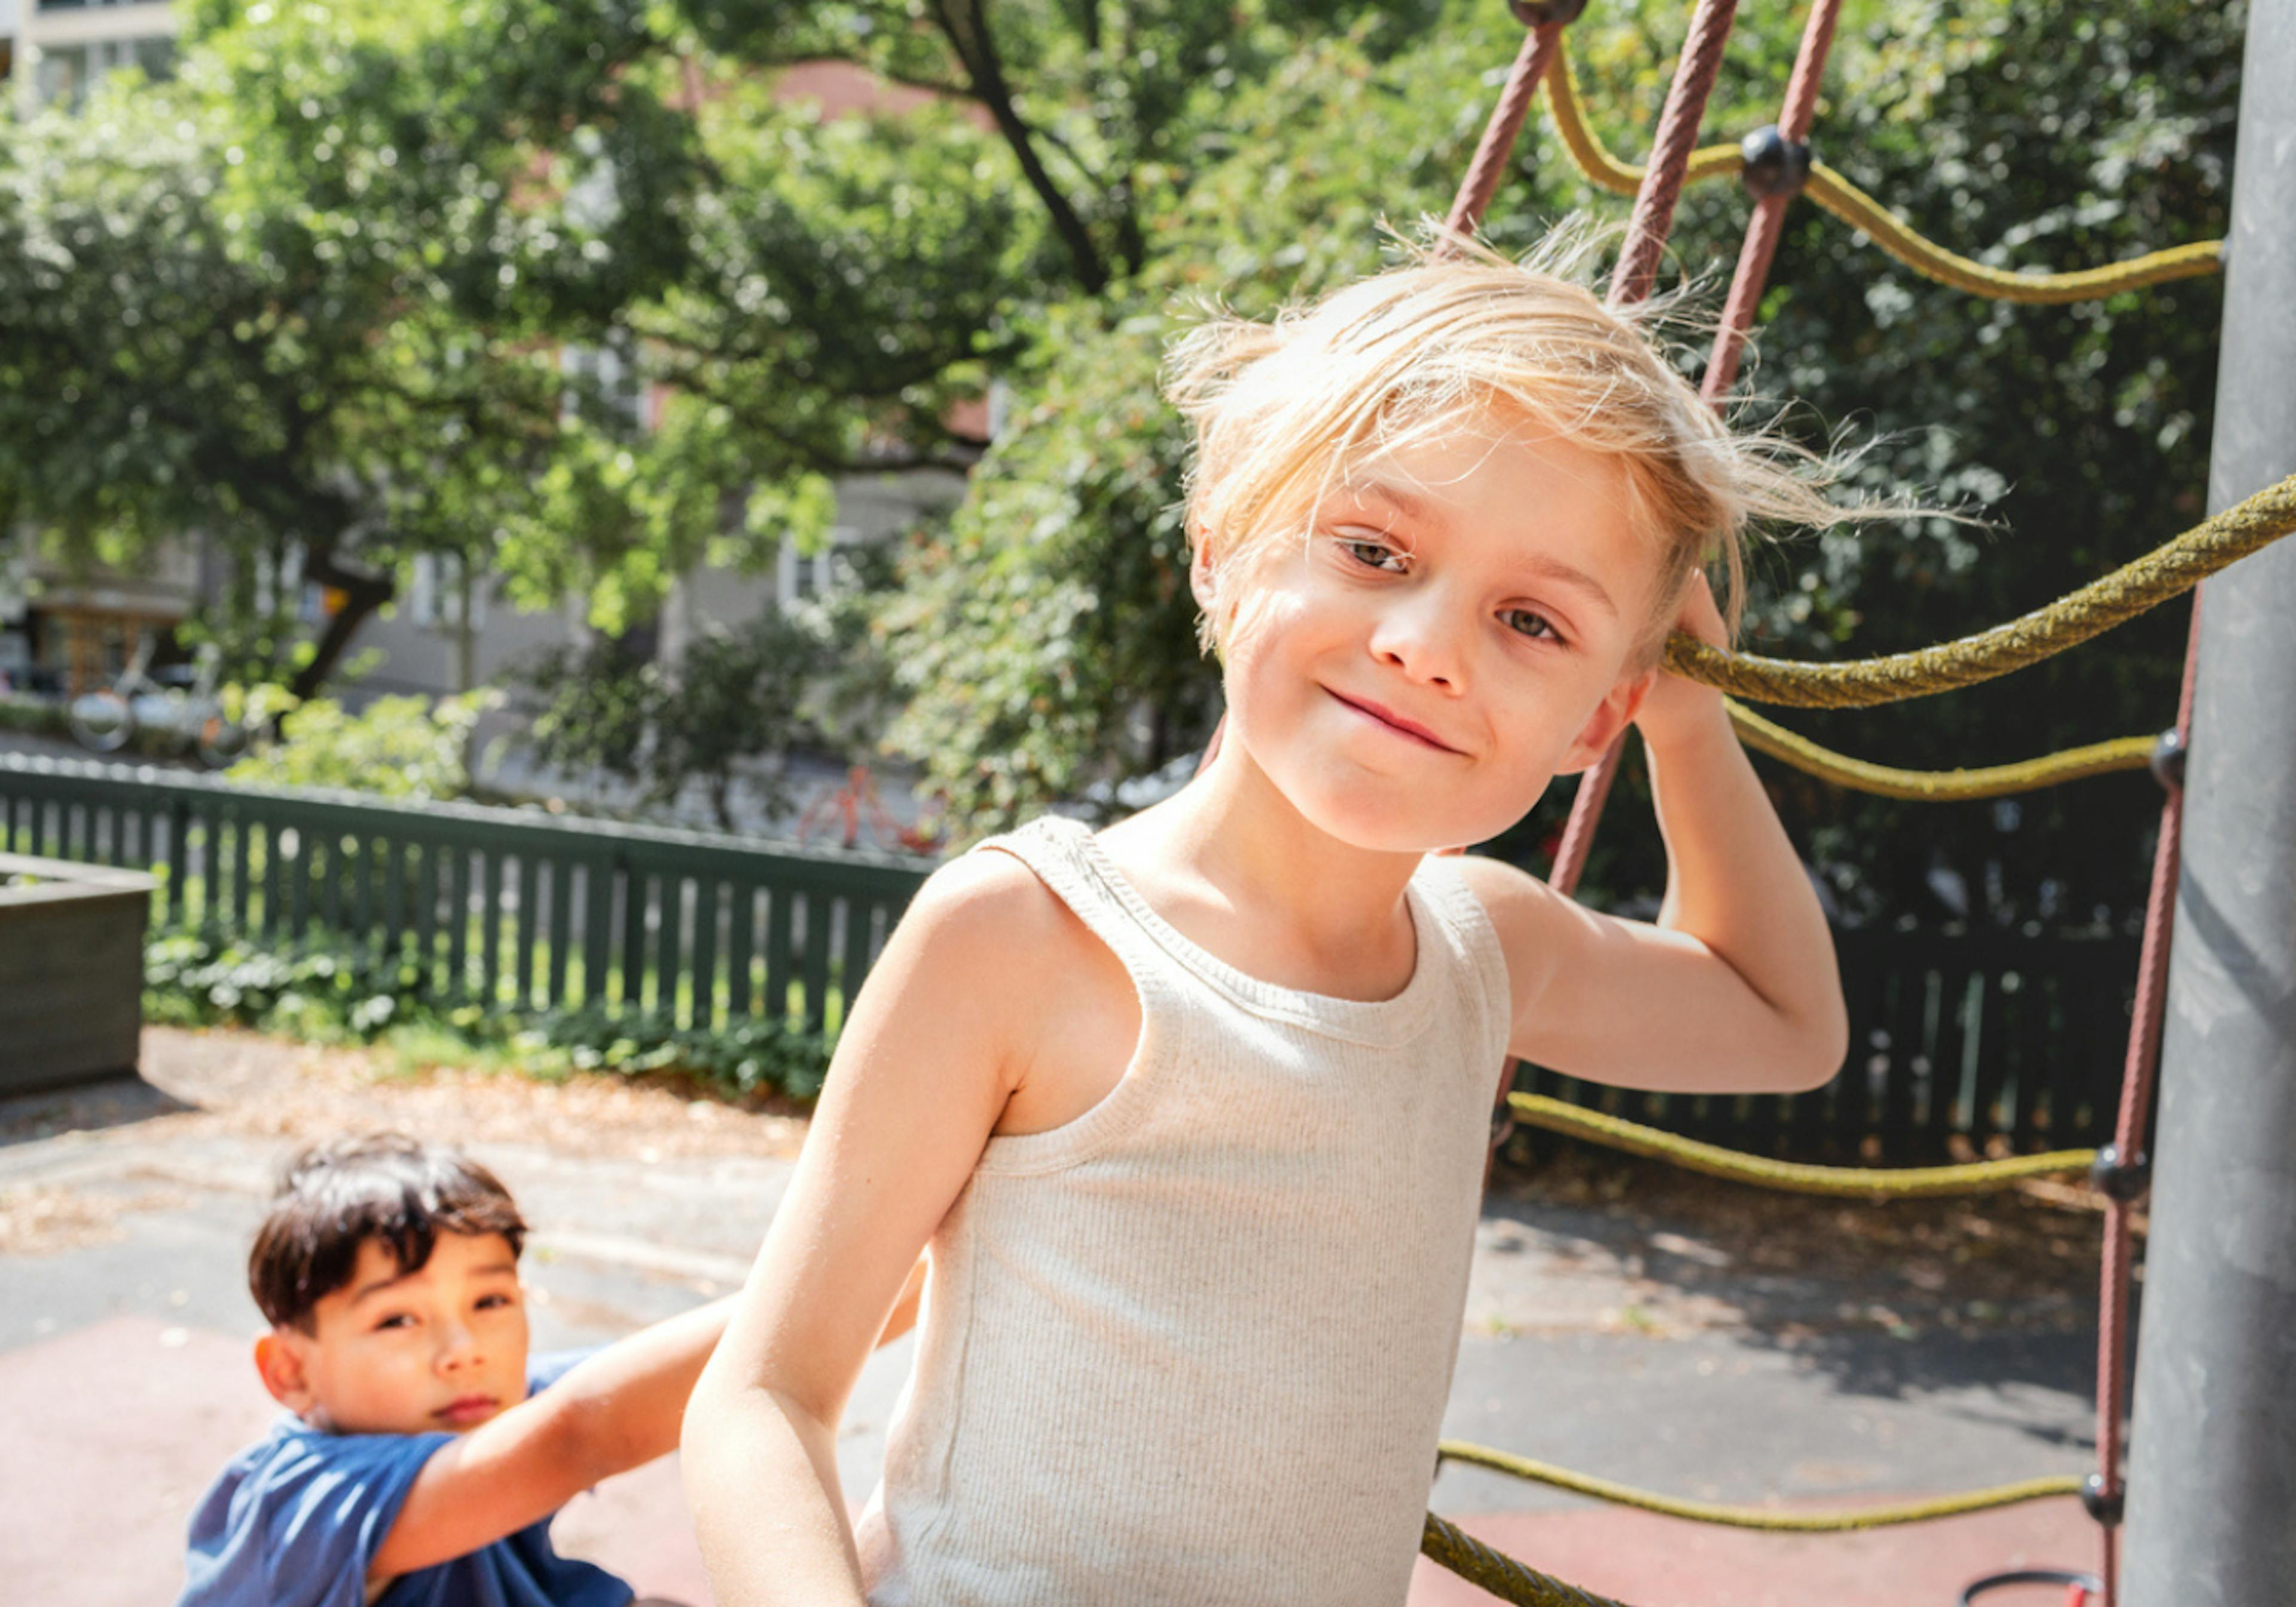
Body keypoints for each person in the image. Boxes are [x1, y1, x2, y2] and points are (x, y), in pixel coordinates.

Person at [682, 236, 1873, 1607]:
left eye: (1532, 624)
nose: (1425, 643)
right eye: (1371, 550)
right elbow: (762, 1399)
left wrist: (1686, 710)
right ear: (1222, 551)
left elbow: (1783, 1022)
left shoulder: (1484, 950)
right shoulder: (1029, 935)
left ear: (1592, 717)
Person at [179, 1133, 921, 1607]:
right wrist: (900, 1268)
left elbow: (700, 1368)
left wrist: (924, 1275)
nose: (463, 1347)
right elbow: (584, 1431)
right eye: (397, 1319)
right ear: (290, 1373)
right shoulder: (302, 1503)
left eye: (492, 1300)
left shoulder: (483, 1405)